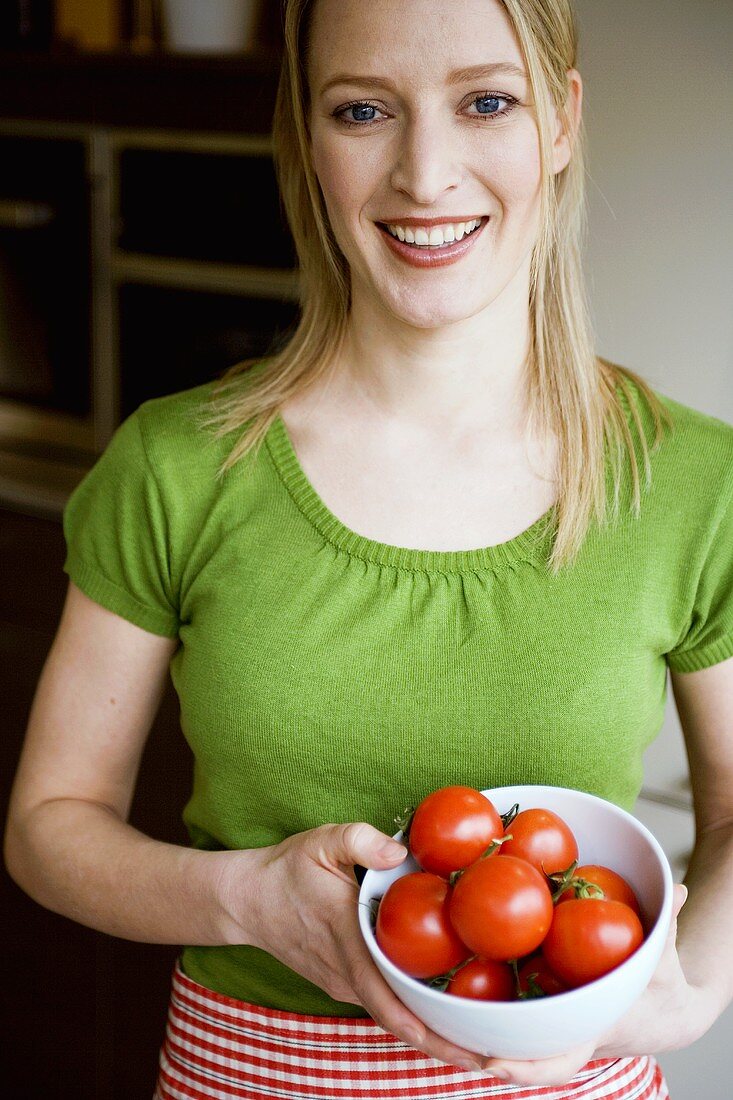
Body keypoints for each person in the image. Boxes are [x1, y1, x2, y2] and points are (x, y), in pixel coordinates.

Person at [4, 0, 733, 1097]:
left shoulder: (693, 483)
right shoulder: (173, 466)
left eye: (486, 101)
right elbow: (48, 824)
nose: (424, 174)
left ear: (562, 121)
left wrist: (689, 990)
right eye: (362, 111)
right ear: (303, 133)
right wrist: (241, 895)